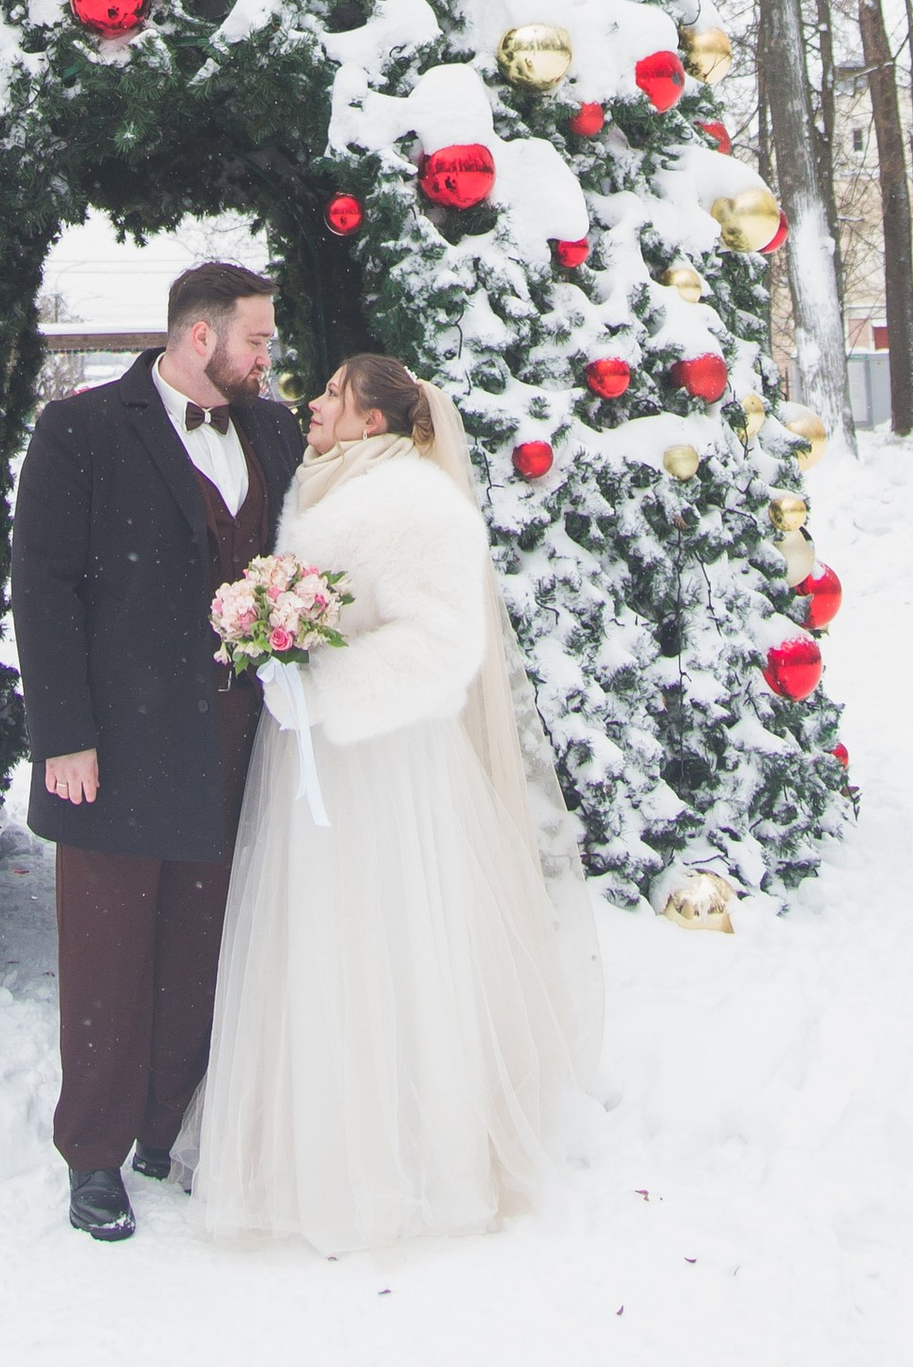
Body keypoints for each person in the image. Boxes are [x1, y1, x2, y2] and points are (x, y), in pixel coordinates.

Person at [183, 352, 604, 1255]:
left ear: (374, 421)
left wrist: (325, 684)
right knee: (322, 940)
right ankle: (318, 1146)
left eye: (334, 394)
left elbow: (443, 638)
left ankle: (415, 1155)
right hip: (317, 764)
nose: (317, 404)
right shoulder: (321, 489)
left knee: (395, 939)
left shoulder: (413, 503)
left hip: (388, 760)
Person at [9, 260, 304, 1242]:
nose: (267, 357)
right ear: (197, 337)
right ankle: (91, 1155)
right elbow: (42, 590)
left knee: (202, 942)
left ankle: (163, 1125)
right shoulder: (81, 430)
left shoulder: (273, 430)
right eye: (255, 340)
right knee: (107, 953)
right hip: (114, 745)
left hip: (235, 737)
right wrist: (65, 738)